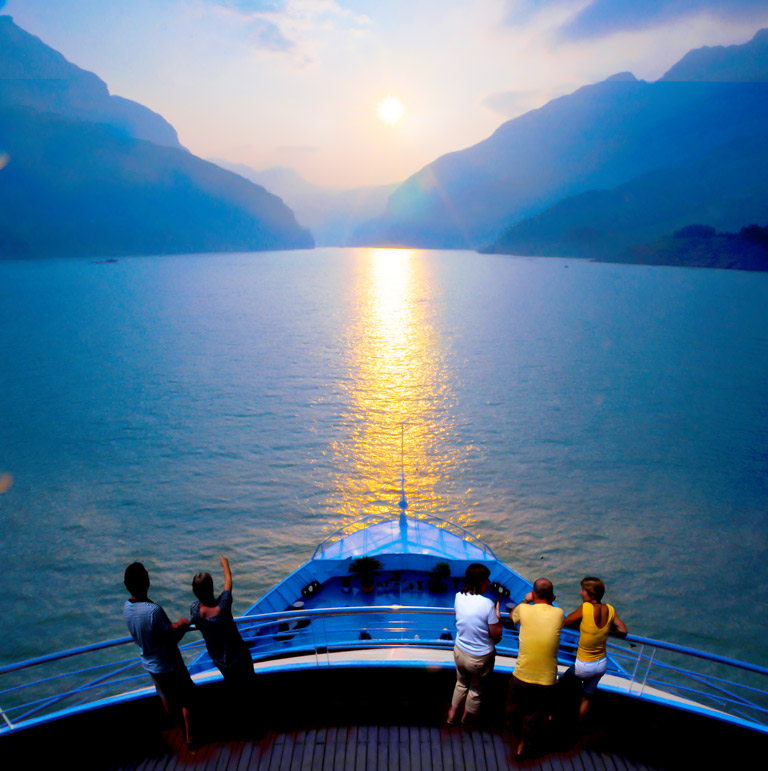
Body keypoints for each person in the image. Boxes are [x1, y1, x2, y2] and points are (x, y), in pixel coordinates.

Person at [122, 562, 195, 746]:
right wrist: (183, 628)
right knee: (188, 697)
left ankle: (180, 731)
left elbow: (153, 629)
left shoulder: (127, 608)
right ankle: (190, 735)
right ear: (145, 581)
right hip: (170, 664)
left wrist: (172, 625)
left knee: (167, 699)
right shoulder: (154, 610)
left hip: (151, 665)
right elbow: (170, 640)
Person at [507, 578, 564, 759]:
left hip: (521, 674)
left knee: (513, 706)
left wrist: (525, 600)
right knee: (534, 715)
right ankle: (523, 744)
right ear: (552, 596)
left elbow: (511, 617)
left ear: (533, 594)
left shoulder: (524, 609)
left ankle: (512, 731)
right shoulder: (559, 613)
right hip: (546, 680)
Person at [563, 576, 627, 721]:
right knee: (587, 697)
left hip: (584, 665)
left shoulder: (585, 608)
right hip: (601, 664)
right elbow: (623, 630)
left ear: (591, 595)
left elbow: (567, 622)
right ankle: (578, 725)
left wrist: (582, 626)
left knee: (561, 687)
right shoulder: (610, 610)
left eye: (583, 591)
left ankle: (554, 718)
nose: (580, 593)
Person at [447, 563, 502, 725]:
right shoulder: (487, 605)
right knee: (476, 689)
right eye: (486, 579)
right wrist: (497, 616)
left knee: (461, 683)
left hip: (460, 651)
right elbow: (496, 635)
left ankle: (451, 715)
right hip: (479, 657)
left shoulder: (458, 596)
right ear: (480, 581)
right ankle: (466, 720)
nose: (489, 582)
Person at [190, 554, 254, 684]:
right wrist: (225, 563)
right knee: (249, 680)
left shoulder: (195, 611)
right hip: (238, 655)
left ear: (195, 592)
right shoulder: (223, 605)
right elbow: (228, 580)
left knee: (231, 682)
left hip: (219, 659)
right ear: (212, 588)